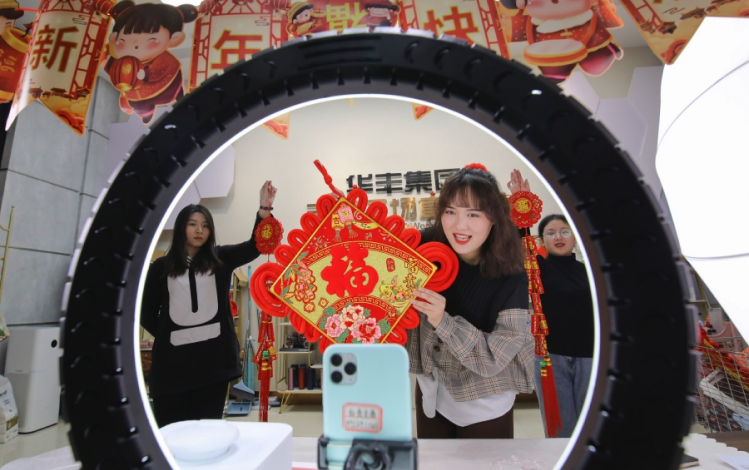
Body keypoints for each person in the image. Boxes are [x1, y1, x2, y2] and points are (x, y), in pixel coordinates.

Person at [406, 164, 535, 439]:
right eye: (450, 211)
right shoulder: (425, 250)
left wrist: (443, 320)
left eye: (473, 214)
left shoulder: (511, 275)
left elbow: (495, 358)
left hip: (484, 398)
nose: (459, 225)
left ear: (494, 218)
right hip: (432, 391)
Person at [140, 181, 277, 427]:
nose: (199, 230)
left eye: (204, 226)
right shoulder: (161, 267)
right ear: (182, 227)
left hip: (212, 365)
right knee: (172, 433)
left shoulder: (220, 259)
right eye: (192, 224)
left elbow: (254, 247)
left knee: (208, 432)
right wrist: (167, 334)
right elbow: (146, 313)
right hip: (172, 367)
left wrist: (263, 211)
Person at [507, 169, 595, 438]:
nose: (558, 237)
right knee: (561, 428)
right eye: (551, 233)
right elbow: (521, 243)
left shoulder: (590, 272)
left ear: (574, 237)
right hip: (550, 357)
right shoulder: (538, 267)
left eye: (564, 231)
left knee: (590, 426)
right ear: (541, 239)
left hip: (590, 356)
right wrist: (521, 202)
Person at [105, 0, 199, 124]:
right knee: (139, 104)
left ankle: (179, 95)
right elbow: (112, 68)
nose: (136, 44)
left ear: (174, 39)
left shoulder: (164, 60)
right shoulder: (122, 60)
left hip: (162, 86)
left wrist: (144, 74)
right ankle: (146, 115)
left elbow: (165, 69)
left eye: (151, 39)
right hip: (135, 92)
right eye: (124, 39)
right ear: (114, 38)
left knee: (173, 89)